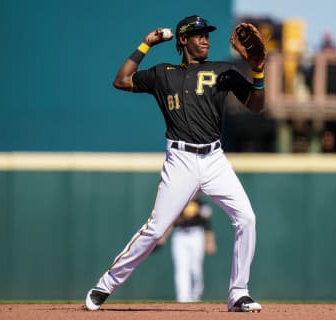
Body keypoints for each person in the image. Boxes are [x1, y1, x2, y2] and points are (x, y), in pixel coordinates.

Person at [84, 15, 265, 312]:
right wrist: (146, 44)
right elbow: (120, 80)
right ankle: (105, 284)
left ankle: (238, 292)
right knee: (155, 230)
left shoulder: (224, 71)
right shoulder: (163, 74)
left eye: (207, 34)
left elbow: (256, 107)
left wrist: (257, 72)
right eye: (198, 34)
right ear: (183, 40)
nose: (205, 38)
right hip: (180, 159)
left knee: (247, 218)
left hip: (215, 159)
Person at [156, 195, 216, 303]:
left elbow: (208, 225)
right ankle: (182, 298)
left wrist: (210, 242)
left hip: (196, 234)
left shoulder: (201, 205)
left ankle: (195, 297)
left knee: (195, 266)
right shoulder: (178, 203)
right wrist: (163, 237)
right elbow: (171, 223)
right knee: (181, 267)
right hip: (179, 235)